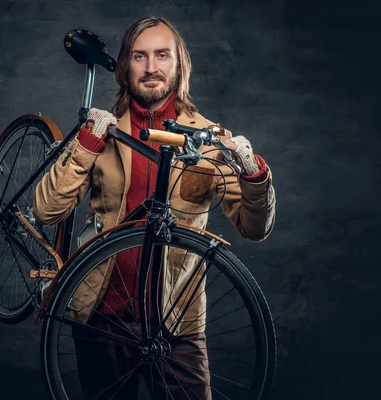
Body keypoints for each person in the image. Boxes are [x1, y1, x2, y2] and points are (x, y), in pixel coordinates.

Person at [34, 16, 276, 400]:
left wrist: (252, 174)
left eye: (162, 55)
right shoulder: (105, 132)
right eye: (139, 56)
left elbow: (254, 227)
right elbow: (47, 210)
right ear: (125, 68)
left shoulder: (210, 140)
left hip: (176, 321)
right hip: (103, 317)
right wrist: (85, 144)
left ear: (180, 66)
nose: (151, 68)